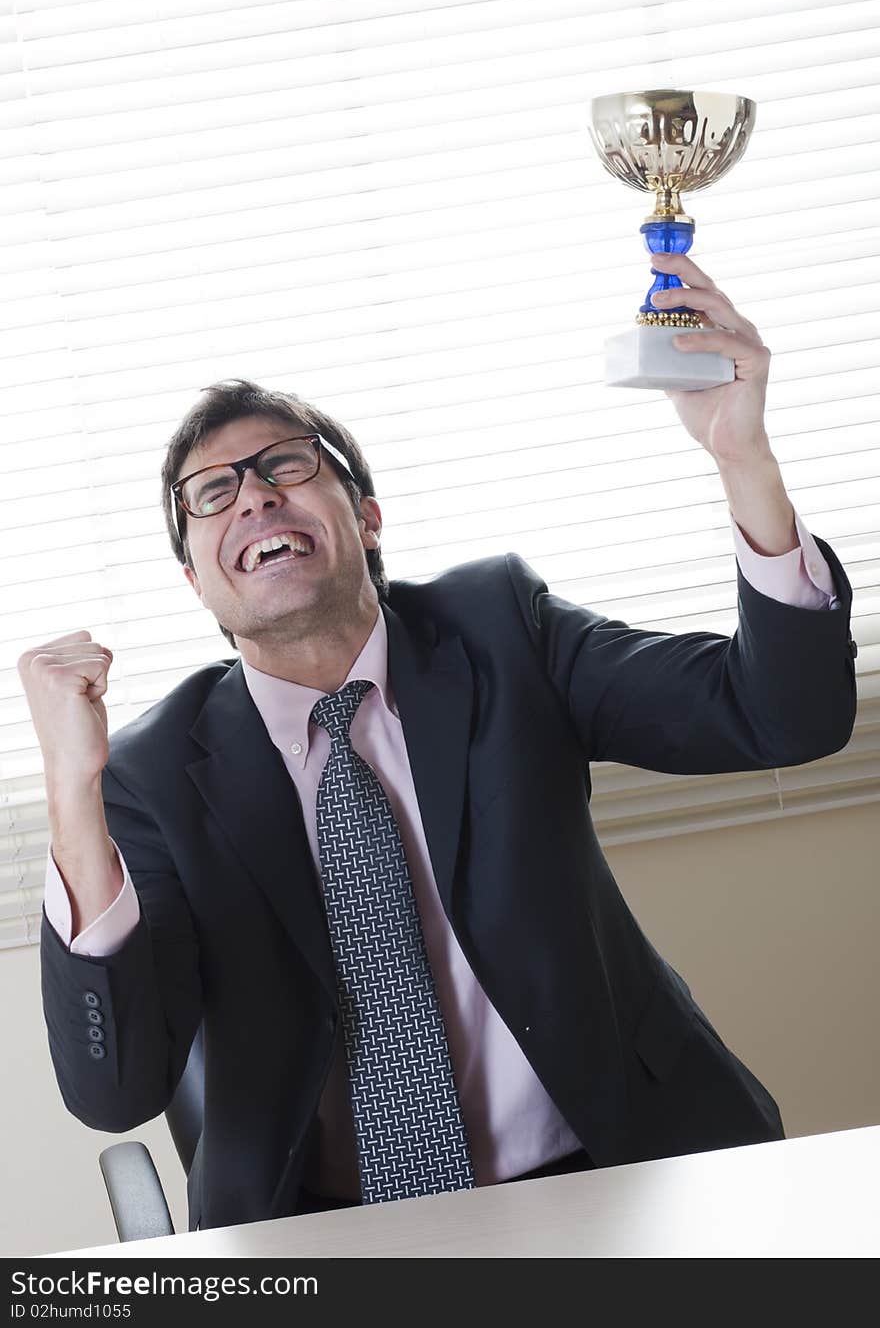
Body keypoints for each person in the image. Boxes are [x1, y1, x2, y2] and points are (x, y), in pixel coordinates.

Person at [21, 253, 857, 1234]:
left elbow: (781, 715)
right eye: (211, 495)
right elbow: (113, 1089)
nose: (252, 497)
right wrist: (74, 796)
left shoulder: (503, 631)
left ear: (366, 521)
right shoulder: (154, 776)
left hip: (617, 1169)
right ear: (198, 581)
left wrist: (740, 458)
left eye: (286, 466)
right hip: (330, 1225)